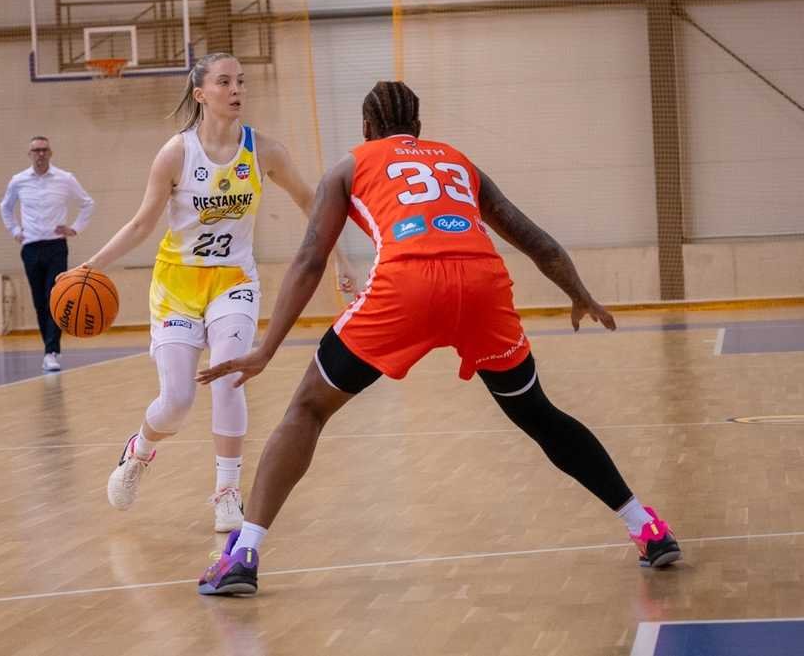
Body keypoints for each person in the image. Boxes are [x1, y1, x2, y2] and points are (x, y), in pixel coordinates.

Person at [195, 81, 682, 596]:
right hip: (482, 286)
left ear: (366, 127)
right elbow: (533, 238)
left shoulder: (348, 166)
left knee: (308, 410)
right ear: (419, 126)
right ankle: (645, 526)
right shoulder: (458, 163)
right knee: (538, 413)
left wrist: (267, 348)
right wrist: (580, 294)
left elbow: (311, 259)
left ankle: (243, 554)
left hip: (405, 288)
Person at [70, 52, 358, 533]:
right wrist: (92, 265)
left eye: (240, 81)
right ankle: (140, 450)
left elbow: (312, 203)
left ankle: (227, 491)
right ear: (201, 94)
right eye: (224, 82)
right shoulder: (175, 154)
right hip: (177, 285)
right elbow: (142, 223)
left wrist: (341, 260)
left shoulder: (264, 151)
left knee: (229, 376)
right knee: (177, 401)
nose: (236, 89)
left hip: (234, 282)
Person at [0, 136, 95, 371]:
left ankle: (51, 351)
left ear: (50, 153)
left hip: (56, 246)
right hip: (31, 247)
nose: (40, 154)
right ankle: (50, 347)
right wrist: (15, 231)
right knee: (39, 301)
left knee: (54, 298)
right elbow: (5, 207)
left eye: (44, 150)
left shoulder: (65, 178)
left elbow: (87, 203)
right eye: (36, 150)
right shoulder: (18, 181)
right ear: (30, 155)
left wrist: (74, 228)